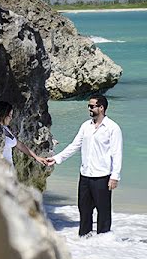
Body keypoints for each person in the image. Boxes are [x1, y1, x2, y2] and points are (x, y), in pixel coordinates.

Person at [44, 95, 123, 236]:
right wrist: (56, 158)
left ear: (101, 108)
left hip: (102, 177)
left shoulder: (112, 128)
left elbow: (117, 153)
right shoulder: (86, 126)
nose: (89, 109)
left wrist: (115, 176)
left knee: (103, 212)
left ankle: (104, 242)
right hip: (85, 175)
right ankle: (84, 240)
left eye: (92, 106)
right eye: (89, 106)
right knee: (84, 210)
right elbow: (74, 146)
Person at [0, 101, 46, 167]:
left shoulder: (6, 128)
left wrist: (36, 157)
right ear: (3, 115)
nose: (11, 118)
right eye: (10, 115)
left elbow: (19, 145)